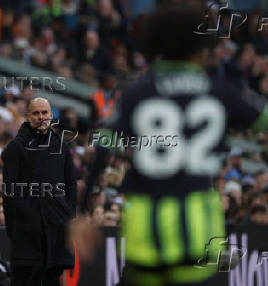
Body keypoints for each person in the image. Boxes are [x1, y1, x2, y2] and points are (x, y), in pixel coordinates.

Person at [84, 6, 268, 286]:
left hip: (145, 229)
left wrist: (85, 209)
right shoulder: (219, 91)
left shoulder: (137, 93)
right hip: (198, 230)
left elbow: (104, 145)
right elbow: (261, 119)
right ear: (201, 47)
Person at [2, 97, 77, 286]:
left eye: (44, 113)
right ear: (28, 117)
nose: (41, 117)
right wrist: (16, 227)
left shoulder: (62, 146)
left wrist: (67, 216)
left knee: (53, 279)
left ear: (51, 116)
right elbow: (9, 194)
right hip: (27, 233)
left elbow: (71, 186)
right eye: (36, 113)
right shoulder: (15, 148)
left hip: (57, 228)